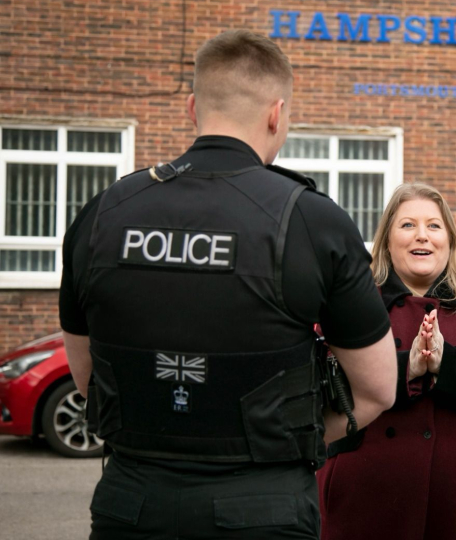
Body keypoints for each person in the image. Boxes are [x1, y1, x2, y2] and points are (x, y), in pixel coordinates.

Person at [59, 29, 397, 540]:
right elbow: (376, 389)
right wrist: (278, 437)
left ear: (193, 107)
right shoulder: (311, 220)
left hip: (131, 503)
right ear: (276, 113)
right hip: (264, 508)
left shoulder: (103, 213)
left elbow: (88, 380)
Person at [317, 183, 456, 540]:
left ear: (449, 239)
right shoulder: (350, 302)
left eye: (434, 226)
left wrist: (446, 363)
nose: (422, 236)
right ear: (386, 239)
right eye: (407, 225)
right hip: (364, 501)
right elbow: (324, 380)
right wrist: (407, 368)